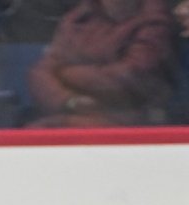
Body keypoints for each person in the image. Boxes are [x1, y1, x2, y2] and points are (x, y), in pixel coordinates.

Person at [26, 0, 175, 128]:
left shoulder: (153, 22)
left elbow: (130, 75)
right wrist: (69, 100)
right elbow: (40, 72)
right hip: (68, 115)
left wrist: (67, 73)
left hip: (125, 122)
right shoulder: (79, 18)